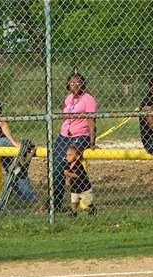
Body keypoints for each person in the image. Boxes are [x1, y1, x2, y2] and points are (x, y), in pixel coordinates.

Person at [47, 73, 97, 212]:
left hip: (79, 136)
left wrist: (92, 141)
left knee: (61, 166)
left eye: (79, 83)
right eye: (72, 83)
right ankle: (53, 203)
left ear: (83, 84)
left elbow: (91, 121)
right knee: (53, 167)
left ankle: (53, 205)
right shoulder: (68, 98)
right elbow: (65, 118)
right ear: (68, 85)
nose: (75, 86)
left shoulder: (88, 99)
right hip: (64, 136)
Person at [63, 144, 96, 216]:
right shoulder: (68, 165)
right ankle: (74, 212)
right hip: (74, 188)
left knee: (88, 202)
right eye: (67, 155)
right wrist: (67, 180)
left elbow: (77, 175)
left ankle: (93, 209)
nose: (67, 157)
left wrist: (68, 174)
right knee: (74, 201)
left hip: (84, 188)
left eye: (70, 155)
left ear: (77, 157)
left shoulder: (78, 165)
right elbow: (67, 175)